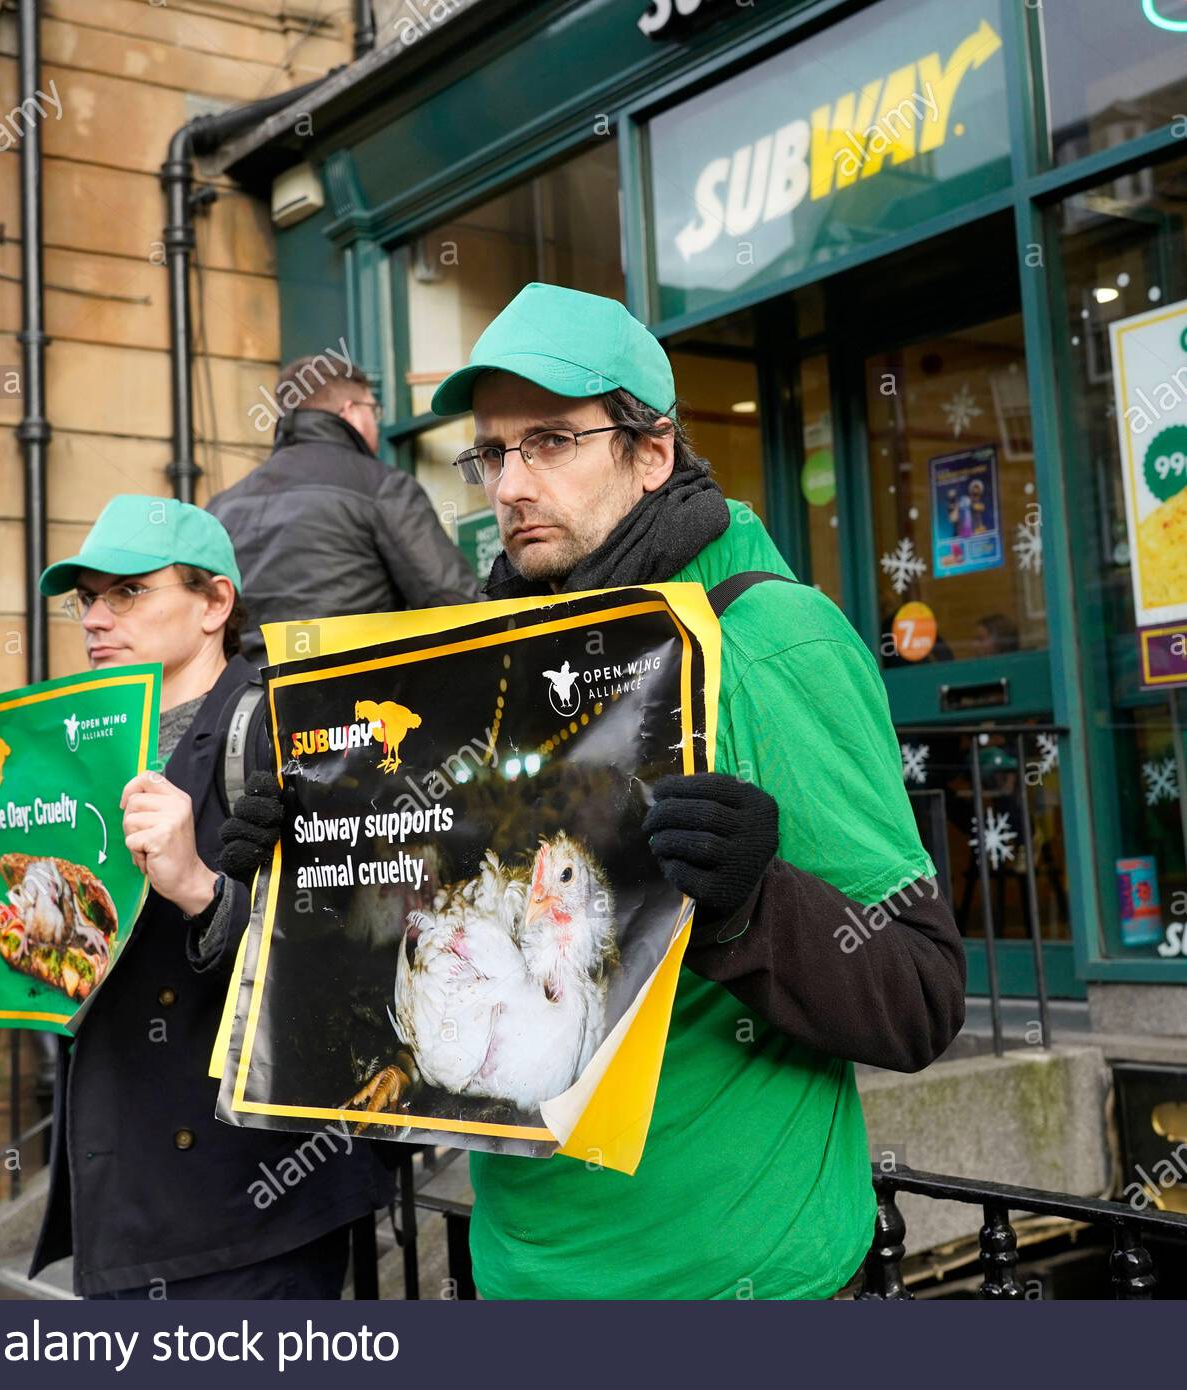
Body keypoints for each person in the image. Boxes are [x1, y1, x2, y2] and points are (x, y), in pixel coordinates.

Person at [223, 283, 966, 1301]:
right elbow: (417, 978)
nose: (511, 484)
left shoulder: (772, 639)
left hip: (735, 1287)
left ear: (651, 452)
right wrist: (291, 876)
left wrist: (756, 903)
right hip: (520, 1274)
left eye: (552, 441)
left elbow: (921, 999)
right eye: (492, 452)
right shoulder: (483, 668)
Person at [0, 495, 393, 1299]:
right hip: (122, 1203)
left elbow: (357, 953)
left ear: (214, 604)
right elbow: (62, 963)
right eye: (87, 598)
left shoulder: (294, 729)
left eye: (129, 592)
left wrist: (202, 889)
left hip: (252, 1210)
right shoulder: (80, 748)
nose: (97, 617)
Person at [207, 355, 480, 661]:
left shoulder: (221, 506)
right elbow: (454, 604)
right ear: (351, 411)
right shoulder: (382, 487)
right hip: (347, 696)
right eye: (373, 410)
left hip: (243, 701)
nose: (376, 422)